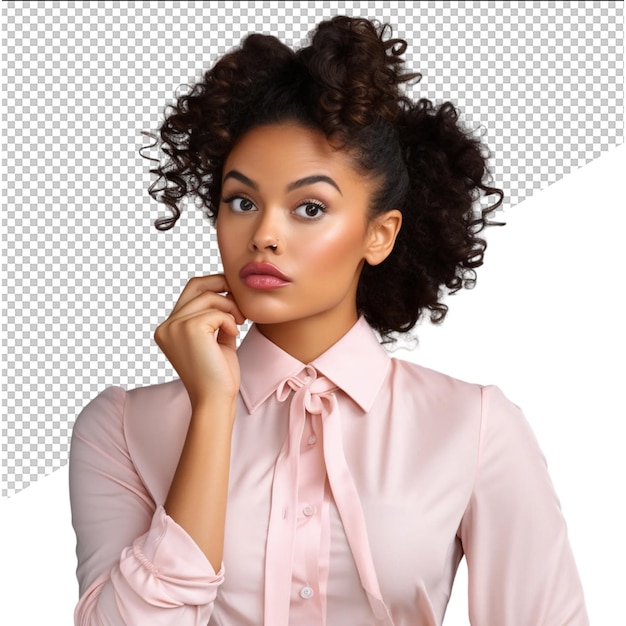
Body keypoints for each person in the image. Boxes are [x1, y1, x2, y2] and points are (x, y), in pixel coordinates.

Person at [69, 15, 589, 626]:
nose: (263, 234)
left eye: (309, 207)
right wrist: (212, 410)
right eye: (242, 201)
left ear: (379, 234)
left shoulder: (474, 427)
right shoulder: (125, 429)